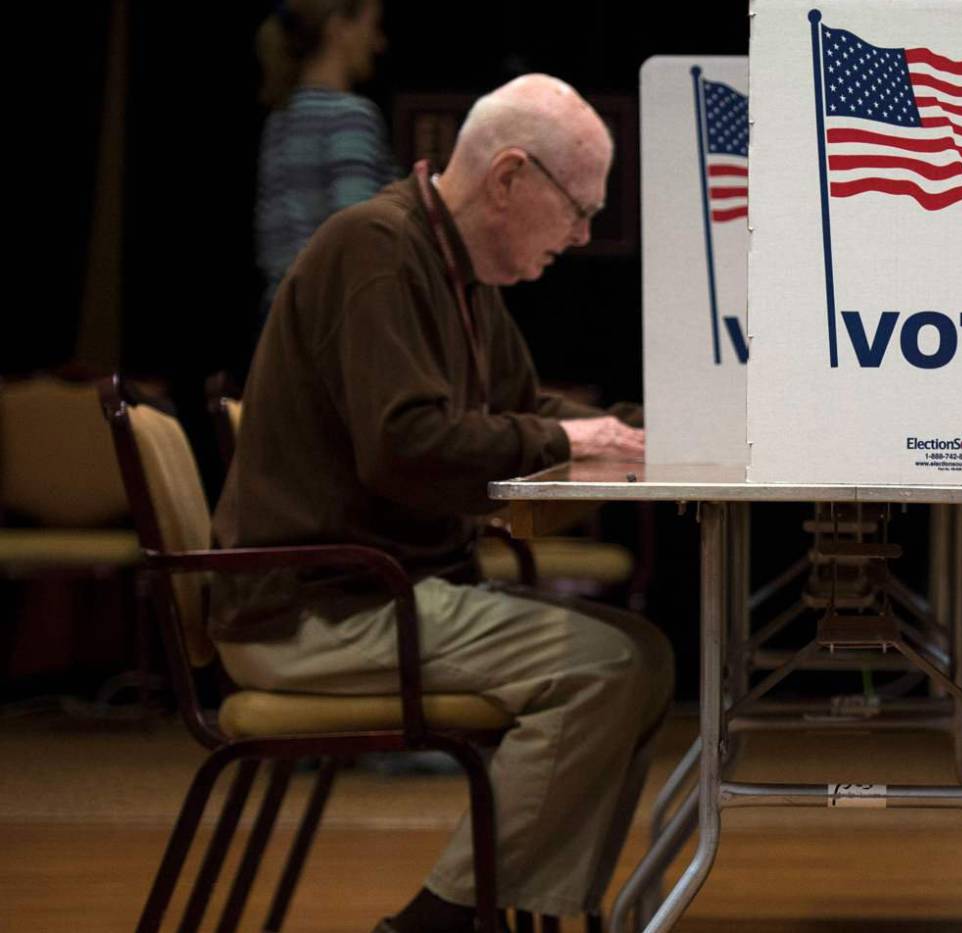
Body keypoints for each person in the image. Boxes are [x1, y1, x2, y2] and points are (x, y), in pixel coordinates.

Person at [212, 74, 669, 933]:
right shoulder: (377, 251)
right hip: (317, 607)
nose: (579, 238)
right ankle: (444, 919)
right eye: (577, 210)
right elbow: (407, 446)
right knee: (611, 667)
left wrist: (662, 427)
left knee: (640, 655)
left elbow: (530, 412)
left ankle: (504, 904)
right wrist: (576, 443)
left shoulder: (456, 271)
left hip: (375, 590)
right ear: (508, 177)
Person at [254, 0, 396, 316]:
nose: (378, 43)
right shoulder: (350, 116)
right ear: (338, 30)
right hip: (334, 320)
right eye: (371, 27)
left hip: (281, 318)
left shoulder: (279, 119)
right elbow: (359, 238)